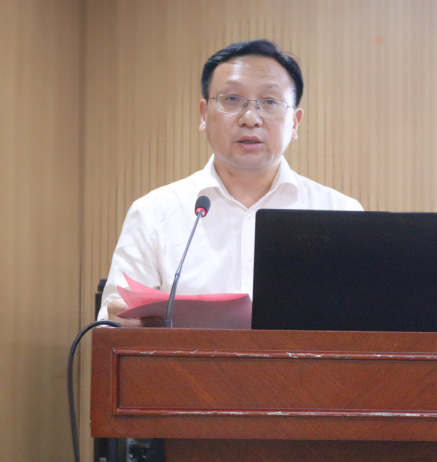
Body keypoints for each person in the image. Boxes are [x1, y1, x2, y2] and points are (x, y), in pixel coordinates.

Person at [98, 39, 363, 326]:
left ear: (295, 122)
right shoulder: (154, 213)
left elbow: (365, 328)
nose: (250, 118)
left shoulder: (341, 214)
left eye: (270, 102)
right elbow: (110, 327)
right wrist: (123, 326)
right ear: (204, 115)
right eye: (232, 99)